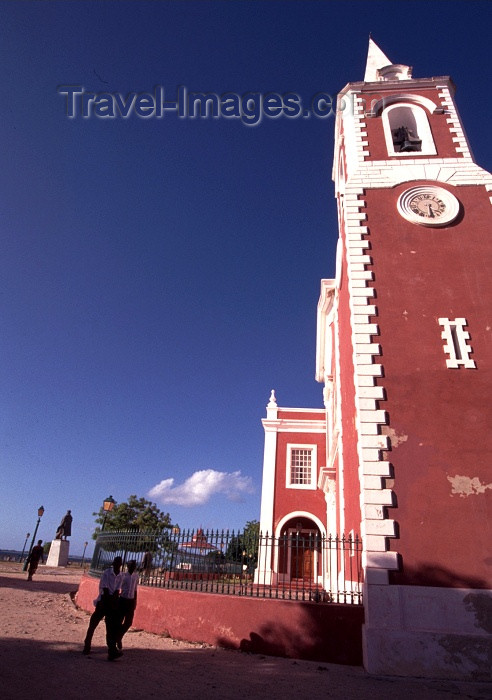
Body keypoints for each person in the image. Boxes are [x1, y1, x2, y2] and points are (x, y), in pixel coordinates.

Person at [83, 556, 123, 660]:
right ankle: (87, 644)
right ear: (113, 564)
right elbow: (104, 589)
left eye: (119, 563)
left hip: (110, 603)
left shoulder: (120, 576)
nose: (117, 565)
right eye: (116, 563)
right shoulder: (106, 573)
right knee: (93, 624)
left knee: (110, 628)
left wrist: (113, 601)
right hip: (103, 602)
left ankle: (112, 650)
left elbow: (117, 591)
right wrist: (111, 601)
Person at [116, 560, 138, 650]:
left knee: (129, 622)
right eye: (131, 565)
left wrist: (135, 601)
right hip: (123, 600)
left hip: (131, 600)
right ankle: (116, 639)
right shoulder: (123, 576)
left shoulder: (136, 576)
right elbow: (117, 587)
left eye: (134, 565)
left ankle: (119, 636)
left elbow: (135, 589)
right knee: (119, 620)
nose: (133, 567)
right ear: (128, 566)